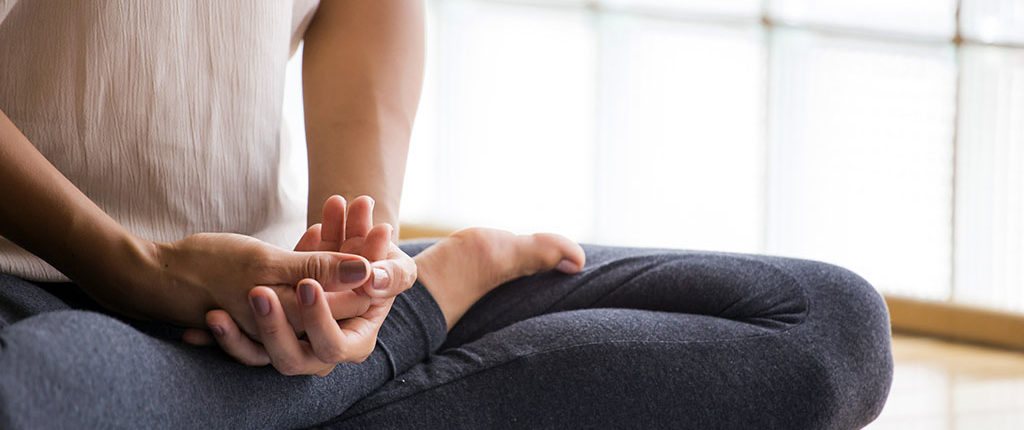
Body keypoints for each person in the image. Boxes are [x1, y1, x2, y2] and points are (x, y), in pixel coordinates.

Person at [0, 1, 893, 428]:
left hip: (267, 295)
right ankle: (422, 319)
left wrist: (360, 276)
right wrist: (140, 271)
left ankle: (368, 346)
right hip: (34, 284)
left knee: (825, 327)